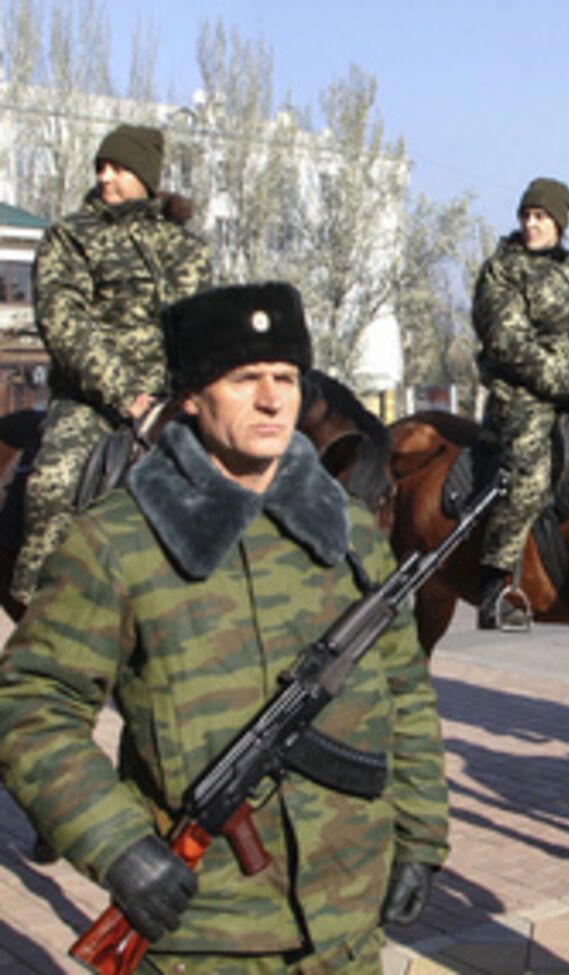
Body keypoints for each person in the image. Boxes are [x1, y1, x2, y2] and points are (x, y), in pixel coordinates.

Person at [0, 283, 447, 972]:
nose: (272, 400)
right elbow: (33, 709)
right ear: (191, 395)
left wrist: (420, 835)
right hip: (205, 934)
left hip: (347, 921)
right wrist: (117, 844)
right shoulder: (118, 541)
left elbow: (405, 689)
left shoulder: (350, 532)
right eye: (245, 379)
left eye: (286, 378)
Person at [13, 122, 211, 606]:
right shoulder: (70, 237)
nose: (105, 177)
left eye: (118, 168)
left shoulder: (186, 248)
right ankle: (43, 602)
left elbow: (203, 326)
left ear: (145, 175)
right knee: (54, 482)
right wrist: (125, 395)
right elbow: (65, 323)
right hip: (92, 402)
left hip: (176, 400)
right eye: (101, 166)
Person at [471, 176, 569, 629]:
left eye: (540, 216)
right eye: (526, 215)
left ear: (559, 222)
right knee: (530, 472)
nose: (531, 224)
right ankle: (496, 581)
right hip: (523, 395)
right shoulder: (504, 269)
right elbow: (507, 341)